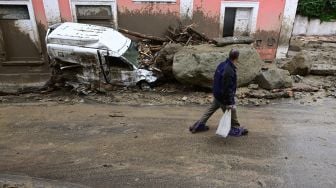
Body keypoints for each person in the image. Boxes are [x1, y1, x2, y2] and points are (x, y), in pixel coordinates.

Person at [189, 49, 248, 136]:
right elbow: (227, 88)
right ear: (237, 58)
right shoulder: (229, 70)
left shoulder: (222, 64)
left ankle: (198, 125)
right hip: (223, 97)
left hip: (217, 94)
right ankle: (235, 128)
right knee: (232, 111)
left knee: (210, 110)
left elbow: (216, 79)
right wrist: (230, 102)